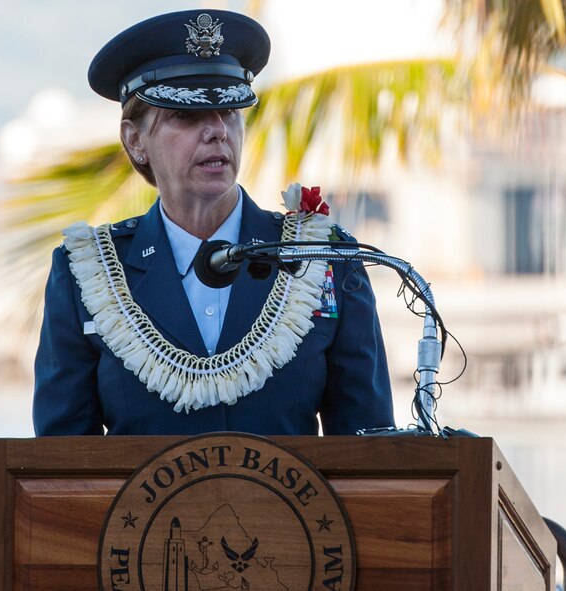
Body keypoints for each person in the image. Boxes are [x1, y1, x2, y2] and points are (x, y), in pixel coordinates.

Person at [33, 9, 395, 436]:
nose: (218, 131)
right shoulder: (89, 272)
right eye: (186, 116)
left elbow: (368, 450)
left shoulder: (321, 256)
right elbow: (61, 467)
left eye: (231, 112)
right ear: (135, 140)